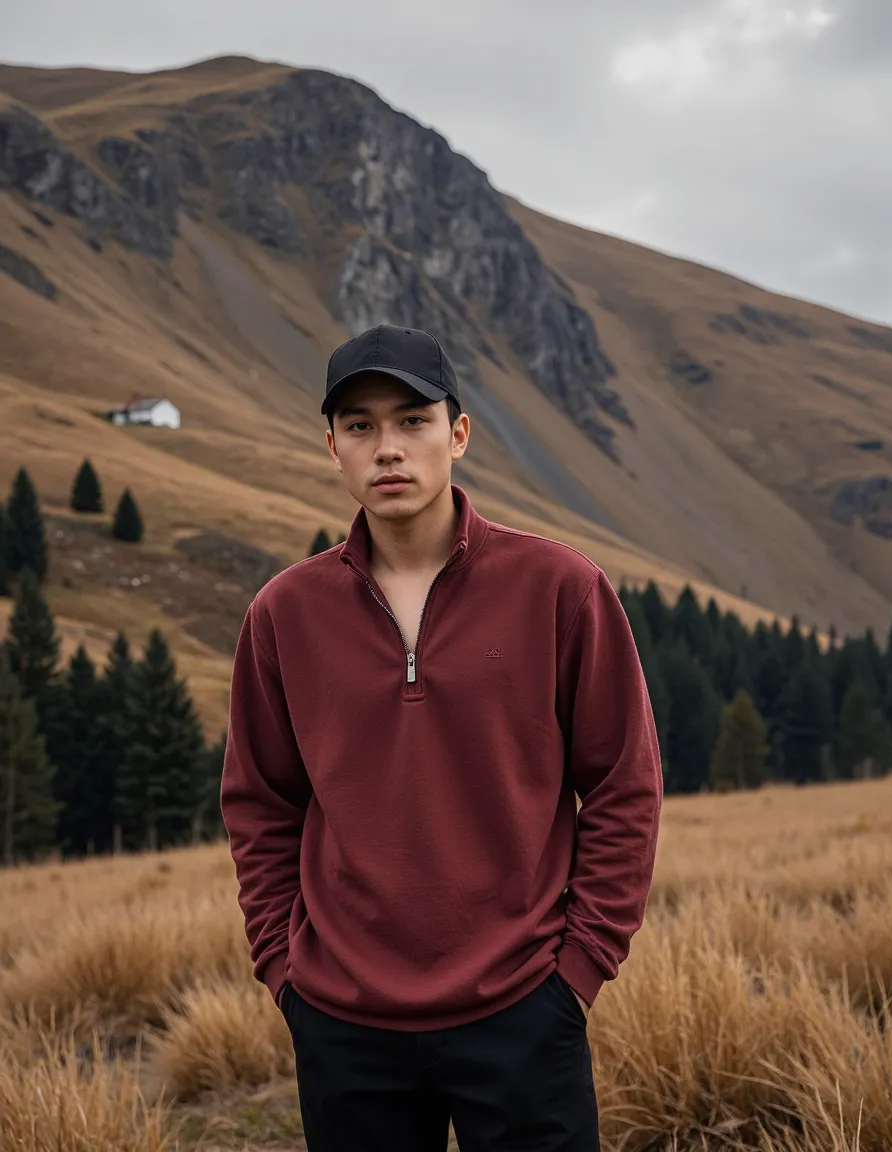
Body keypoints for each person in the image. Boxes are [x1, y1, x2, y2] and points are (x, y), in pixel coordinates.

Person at [221, 323, 663, 1151]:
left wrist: (579, 969)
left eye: (412, 420)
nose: (388, 448)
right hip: (343, 1021)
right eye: (360, 426)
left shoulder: (560, 588)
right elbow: (260, 802)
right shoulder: (285, 614)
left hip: (525, 1006)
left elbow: (622, 784)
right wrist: (286, 971)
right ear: (333, 448)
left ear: (457, 434)